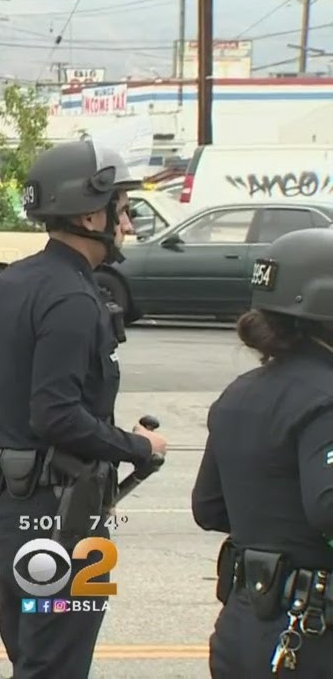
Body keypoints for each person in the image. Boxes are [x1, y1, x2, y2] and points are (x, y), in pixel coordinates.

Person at [0, 138, 170, 679]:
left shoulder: (11, 282)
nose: (127, 223)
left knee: (32, 654)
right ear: (90, 212)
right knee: (58, 660)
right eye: (121, 209)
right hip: (62, 514)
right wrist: (137, 446)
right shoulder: (75, 298)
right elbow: (55, 413)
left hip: (7, 507)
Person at [192, 228, 333, 677]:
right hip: (314, 635)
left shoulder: (241, 392)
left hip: (245, 625)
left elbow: (210, 508)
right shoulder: (325, 396)